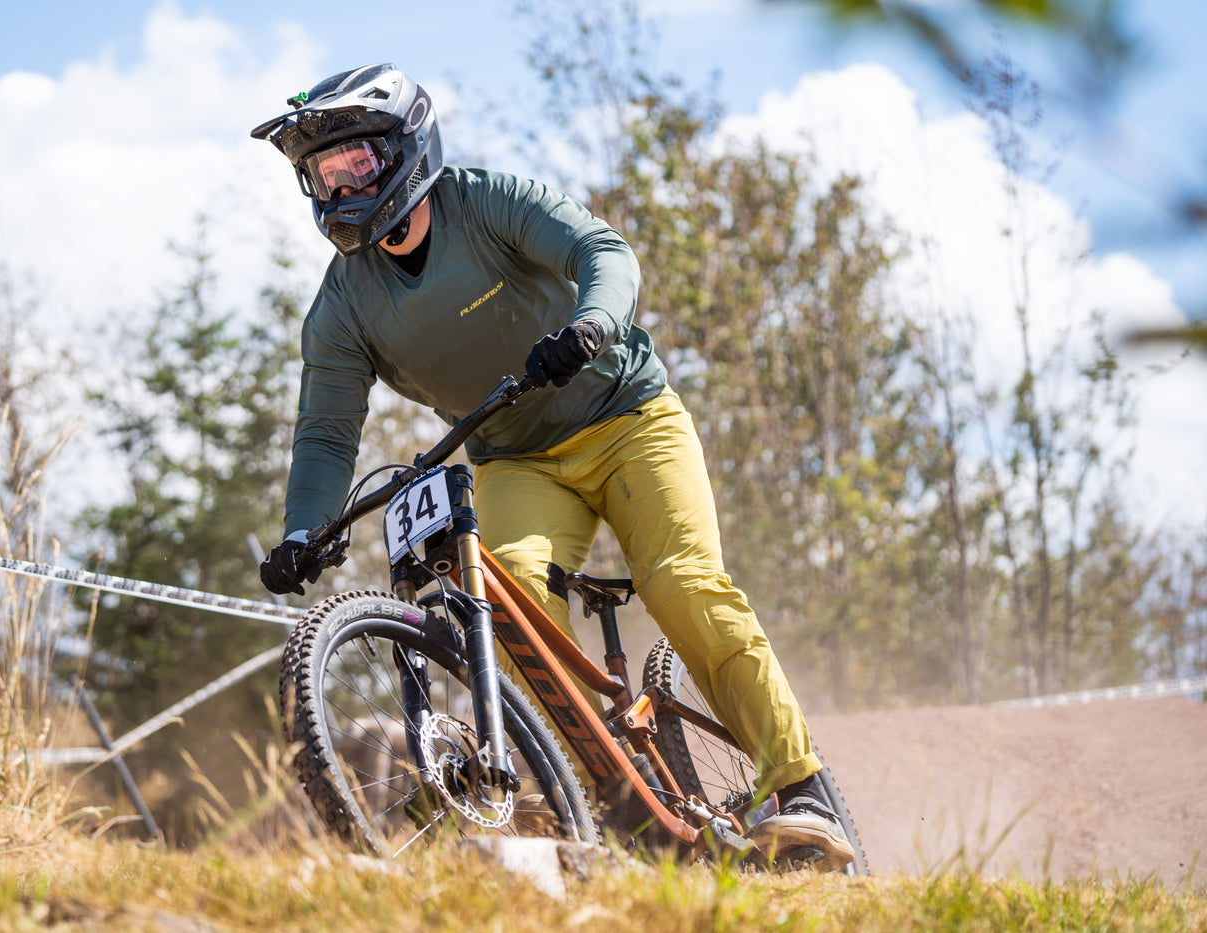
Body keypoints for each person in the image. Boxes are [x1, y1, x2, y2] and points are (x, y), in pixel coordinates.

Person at [250, 63, 854, 872]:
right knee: (503, 610)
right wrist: (303, 529)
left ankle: (801, 784)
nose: (342, 184)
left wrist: (593, 324)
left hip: (630, 419)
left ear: (405, 150)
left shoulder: (486, 200)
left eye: (356, 162)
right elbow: (326, 433)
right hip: (518, 458)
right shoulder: (342, 307)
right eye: (324, 172)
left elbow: (602, 249)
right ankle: (608, 781)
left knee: (682, 581)